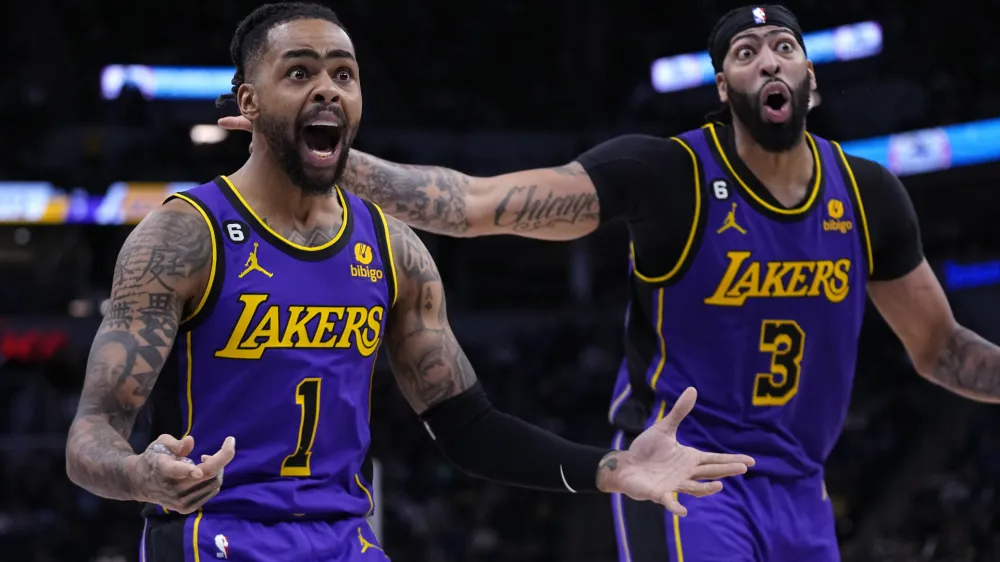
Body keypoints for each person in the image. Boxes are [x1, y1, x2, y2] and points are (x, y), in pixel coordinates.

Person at [217, 4, 1000, 561]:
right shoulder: (668, 174)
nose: (768, 58)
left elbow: (939, 349)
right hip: (686, 473)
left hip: (803, 487)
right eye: (745, 51)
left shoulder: (868, 194)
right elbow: (479, 205)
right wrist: (316, 152)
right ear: (723, 90)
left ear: (811, 83)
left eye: (784, 46)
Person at [65, 4, 756, 562]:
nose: (327, 87)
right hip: (215, 536)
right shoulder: (184, 235)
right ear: (249, 100)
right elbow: (90, 436)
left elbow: (467, 427)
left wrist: (611, 467)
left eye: (343, 73)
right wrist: (139, 475)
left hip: (345, 541)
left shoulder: (393, 248)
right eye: (299, 72)